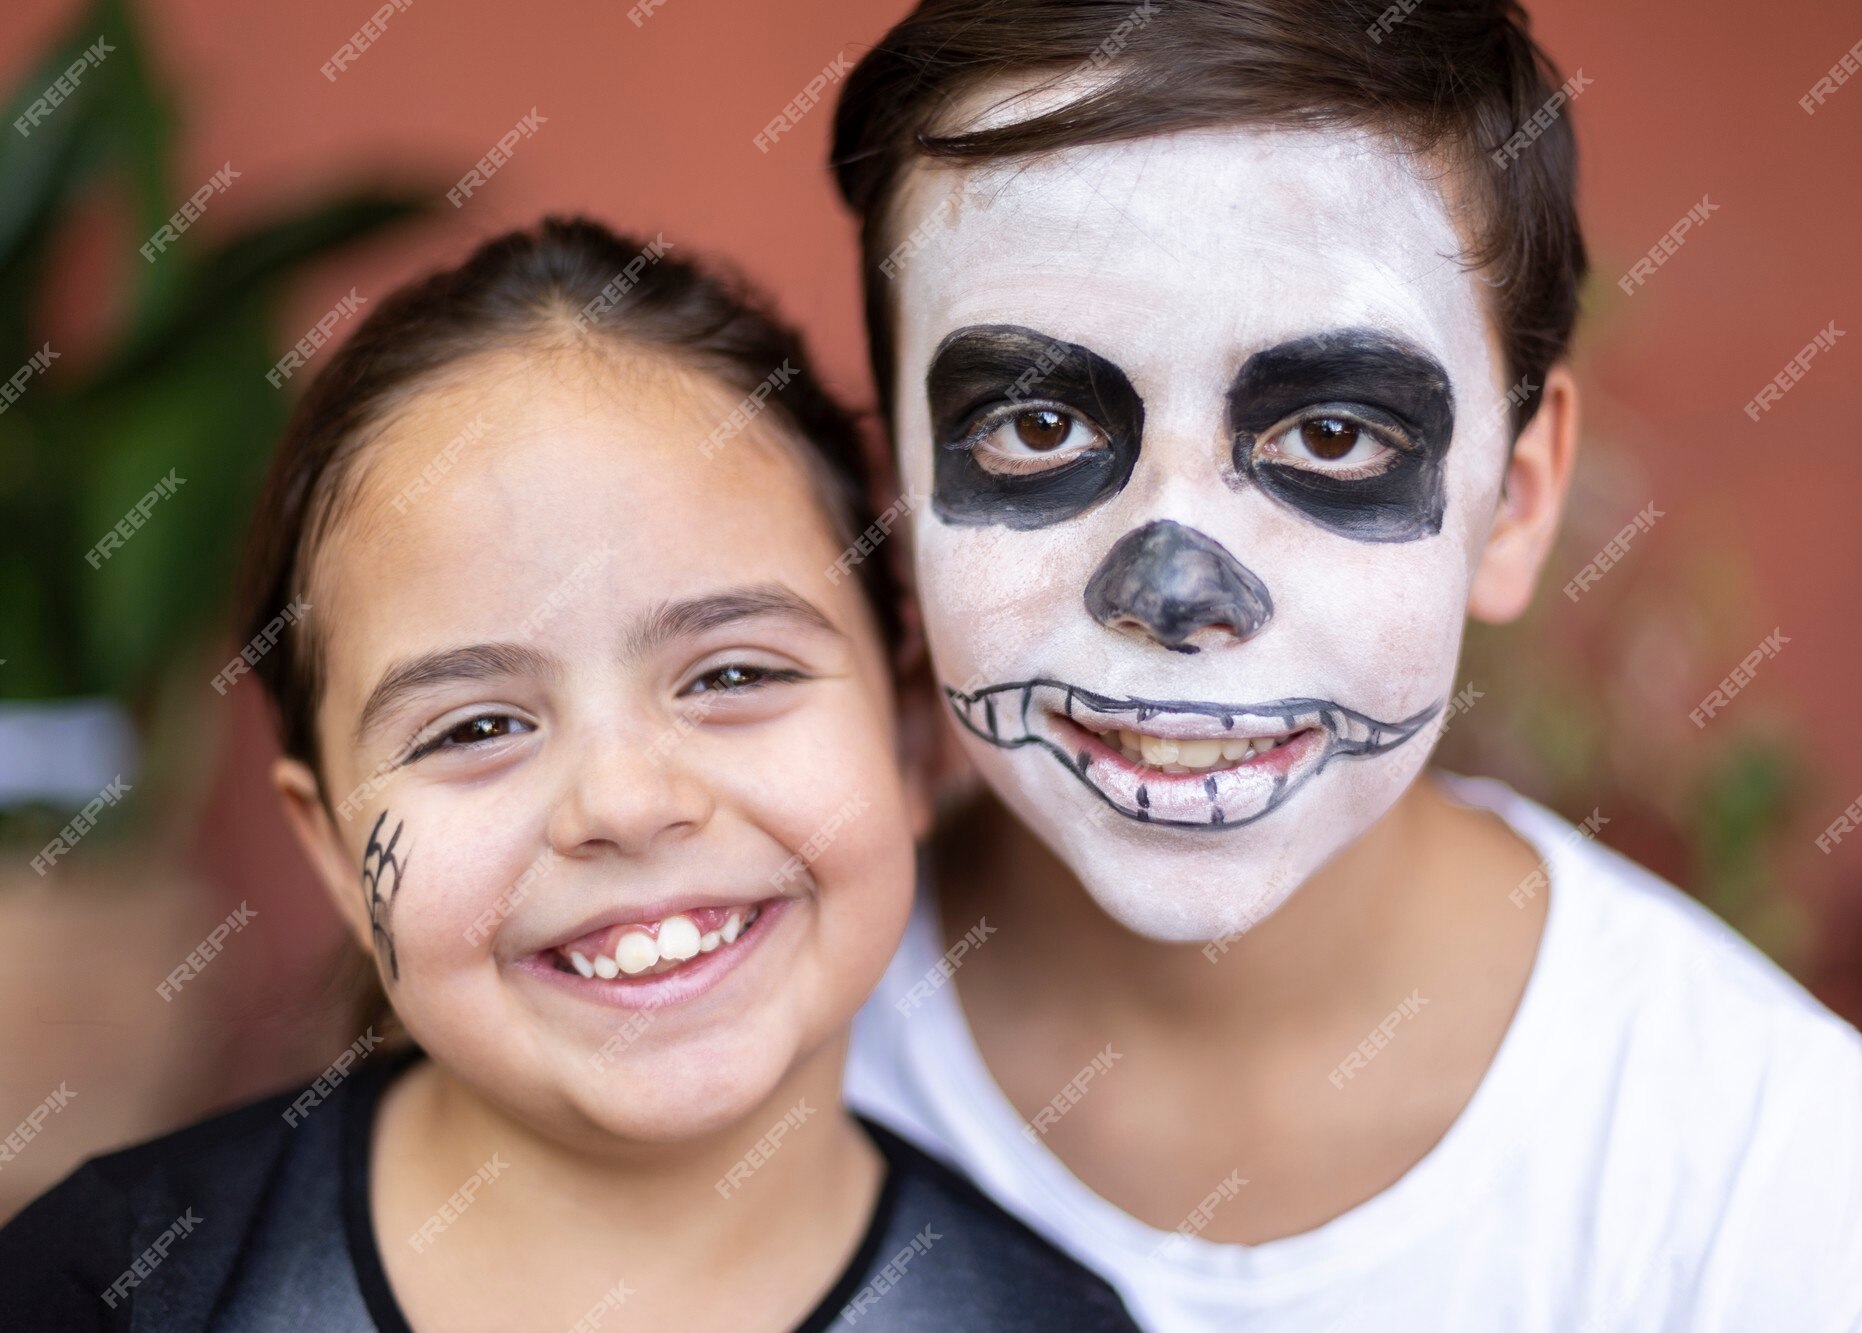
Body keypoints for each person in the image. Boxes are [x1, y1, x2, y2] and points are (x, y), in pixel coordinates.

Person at [830, 3, 1862, 1329]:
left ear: (1516, 503)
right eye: (1040, 422)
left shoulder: (1741, 1154)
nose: (1176, 594)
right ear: (895, 481)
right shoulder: (747, 1051)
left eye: (1338, 436)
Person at [0, 218, 1138, 1333]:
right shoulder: (112, 1282)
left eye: (732, 671)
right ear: (335, 850)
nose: (627, 804)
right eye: (474, 726)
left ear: (905, 735)